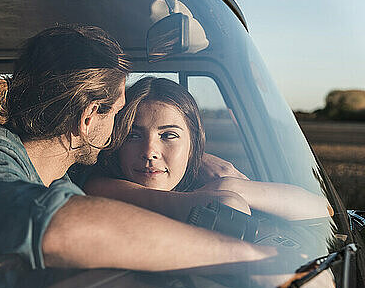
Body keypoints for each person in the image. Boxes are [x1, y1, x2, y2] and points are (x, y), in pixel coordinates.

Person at [0, 26, 275, 288]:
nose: (120, 130)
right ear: (88, 118)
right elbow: (55, 229)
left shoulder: (60, 174)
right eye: (118, 114)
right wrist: (248, 259)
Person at [84, 77, 332, 222]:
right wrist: (227, 190)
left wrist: (232, 184)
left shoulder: (199, 186)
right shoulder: (97, 187)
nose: (150, 151)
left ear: (194, 144)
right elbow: (226, 204)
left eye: (168, 135)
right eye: (133, 135)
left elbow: (323, 209)